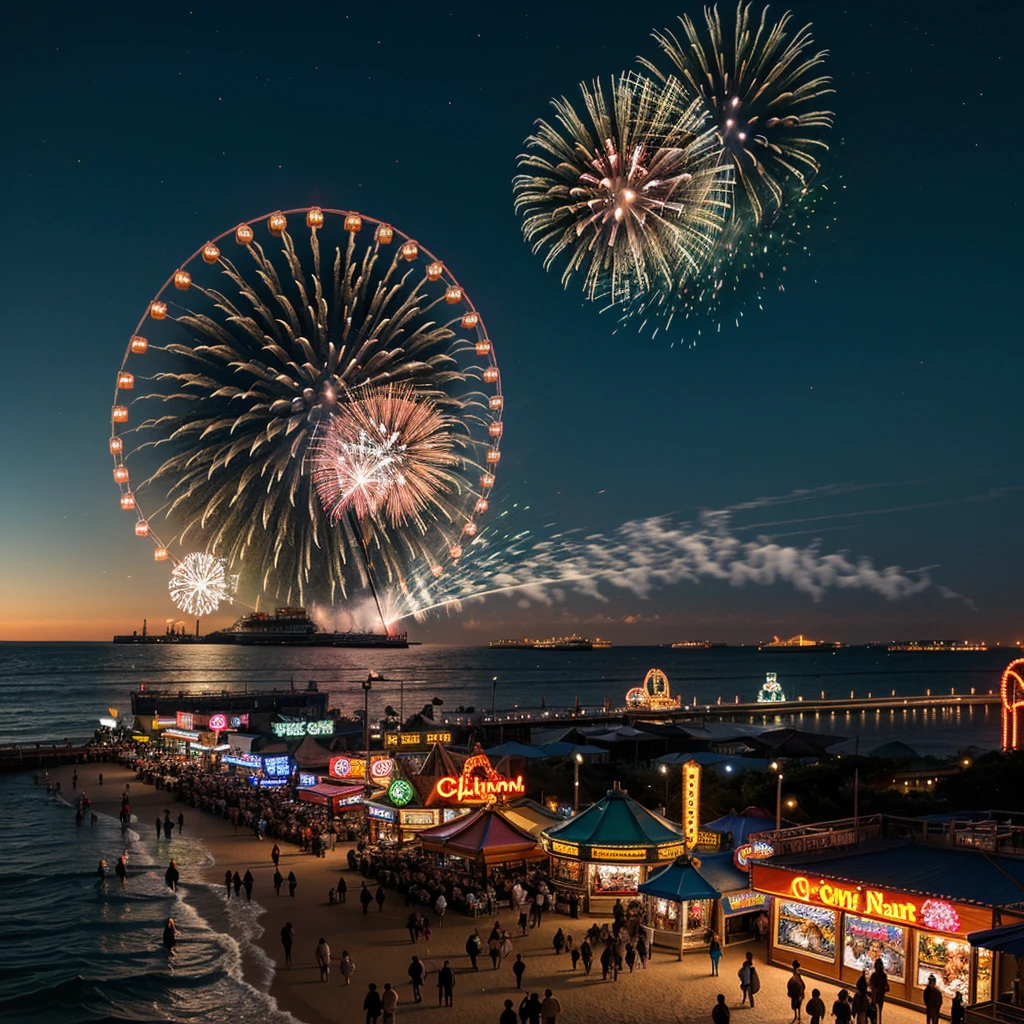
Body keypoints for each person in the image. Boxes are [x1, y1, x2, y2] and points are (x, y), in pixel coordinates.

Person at [869, 959, 890, 1024]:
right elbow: (886, 987)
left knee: (873, 1012)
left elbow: (871, 985)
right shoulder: (884, 976)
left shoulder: (874, 975)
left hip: (874, 996)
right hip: (881, 996)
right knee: (879, 1011)